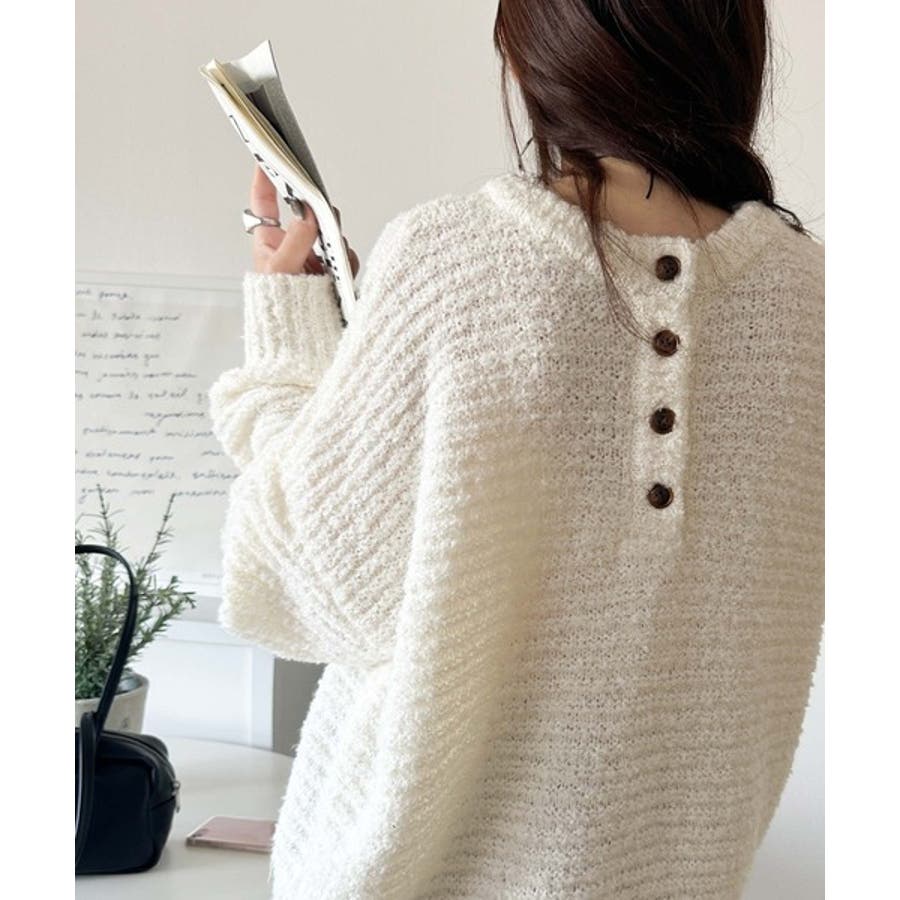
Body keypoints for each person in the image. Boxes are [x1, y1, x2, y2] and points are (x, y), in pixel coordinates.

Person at [208, 1, 824, 897]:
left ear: (540, 56)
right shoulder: (826, 303)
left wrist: (290, 338)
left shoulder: (453, 259)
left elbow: (299, 579)